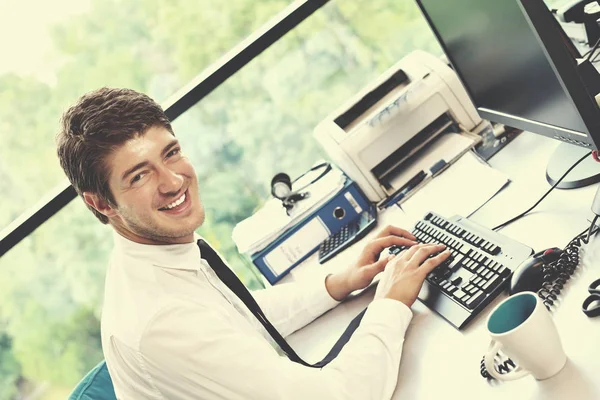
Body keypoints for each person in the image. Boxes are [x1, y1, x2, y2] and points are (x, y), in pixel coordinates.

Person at [56, 87, 450, 400]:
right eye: (140, 176)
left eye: (171, 153)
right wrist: (391, 303)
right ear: (101, 202)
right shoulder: (161, 320)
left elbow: (233, 314)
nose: (173, 182)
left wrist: (337, 283)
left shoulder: (153, 253)